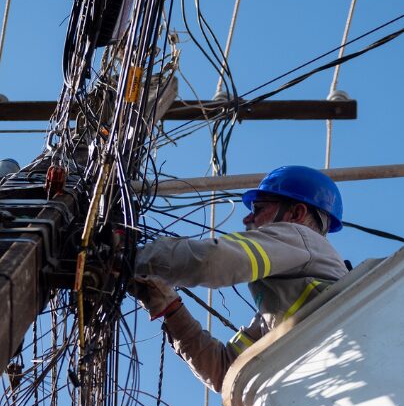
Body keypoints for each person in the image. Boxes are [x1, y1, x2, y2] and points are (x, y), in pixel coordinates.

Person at [131, 165, 348, 392]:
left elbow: (212, 260)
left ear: (296, 214)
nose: (248, 218)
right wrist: (170, 308)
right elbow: (225, 371)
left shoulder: (302, 238)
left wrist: (134, 257)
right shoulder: (278, 318)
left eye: (259, 208)